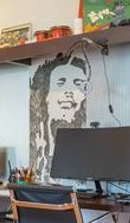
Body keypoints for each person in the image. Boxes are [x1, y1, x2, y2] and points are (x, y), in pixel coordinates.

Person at [29, 47, 92, 180]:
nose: (69, 92)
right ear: (45, 95)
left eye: (77, 84)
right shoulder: (38, 145)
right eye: (61, 83)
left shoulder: (86, 149)